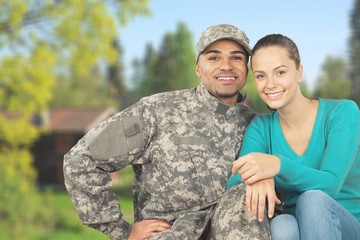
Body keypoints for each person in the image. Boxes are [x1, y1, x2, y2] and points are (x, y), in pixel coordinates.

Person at [63, 24, 271, 240]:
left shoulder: (259, 127)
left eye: (236, 58)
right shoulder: (156, 111)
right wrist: (121, 231)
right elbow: (81, 160)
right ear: (198, 68)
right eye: (214, 58)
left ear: (247, 68)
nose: (226, 66)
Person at [227, 33, 360, 240]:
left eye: (280, 72)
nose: (270, 84)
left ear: (299, 72)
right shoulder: (262, 127)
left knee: (313, 200)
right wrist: (262, 177)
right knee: (282, 223)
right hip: (295, 229)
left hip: (346, 226)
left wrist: (277, 165)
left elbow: (330, 185)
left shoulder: (342, 113)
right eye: (261, 76)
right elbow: (235, 180)